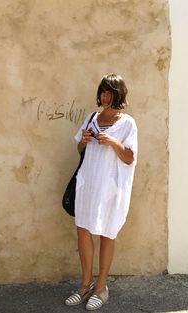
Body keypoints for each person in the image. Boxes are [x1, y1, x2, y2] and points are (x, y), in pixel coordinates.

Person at [65, 73, 138, 311]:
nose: (105, 97)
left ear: (119, 94)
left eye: (110, 92)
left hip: (110, 188)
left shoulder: (127, 123)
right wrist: (84, 140)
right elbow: (80, 149)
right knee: (83, 231)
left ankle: (101, 287)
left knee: (108, 232)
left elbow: (130, 158)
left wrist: (114, 143)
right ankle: (85, 285)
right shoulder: (91, 118)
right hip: (88, 185)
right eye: (103, 92)